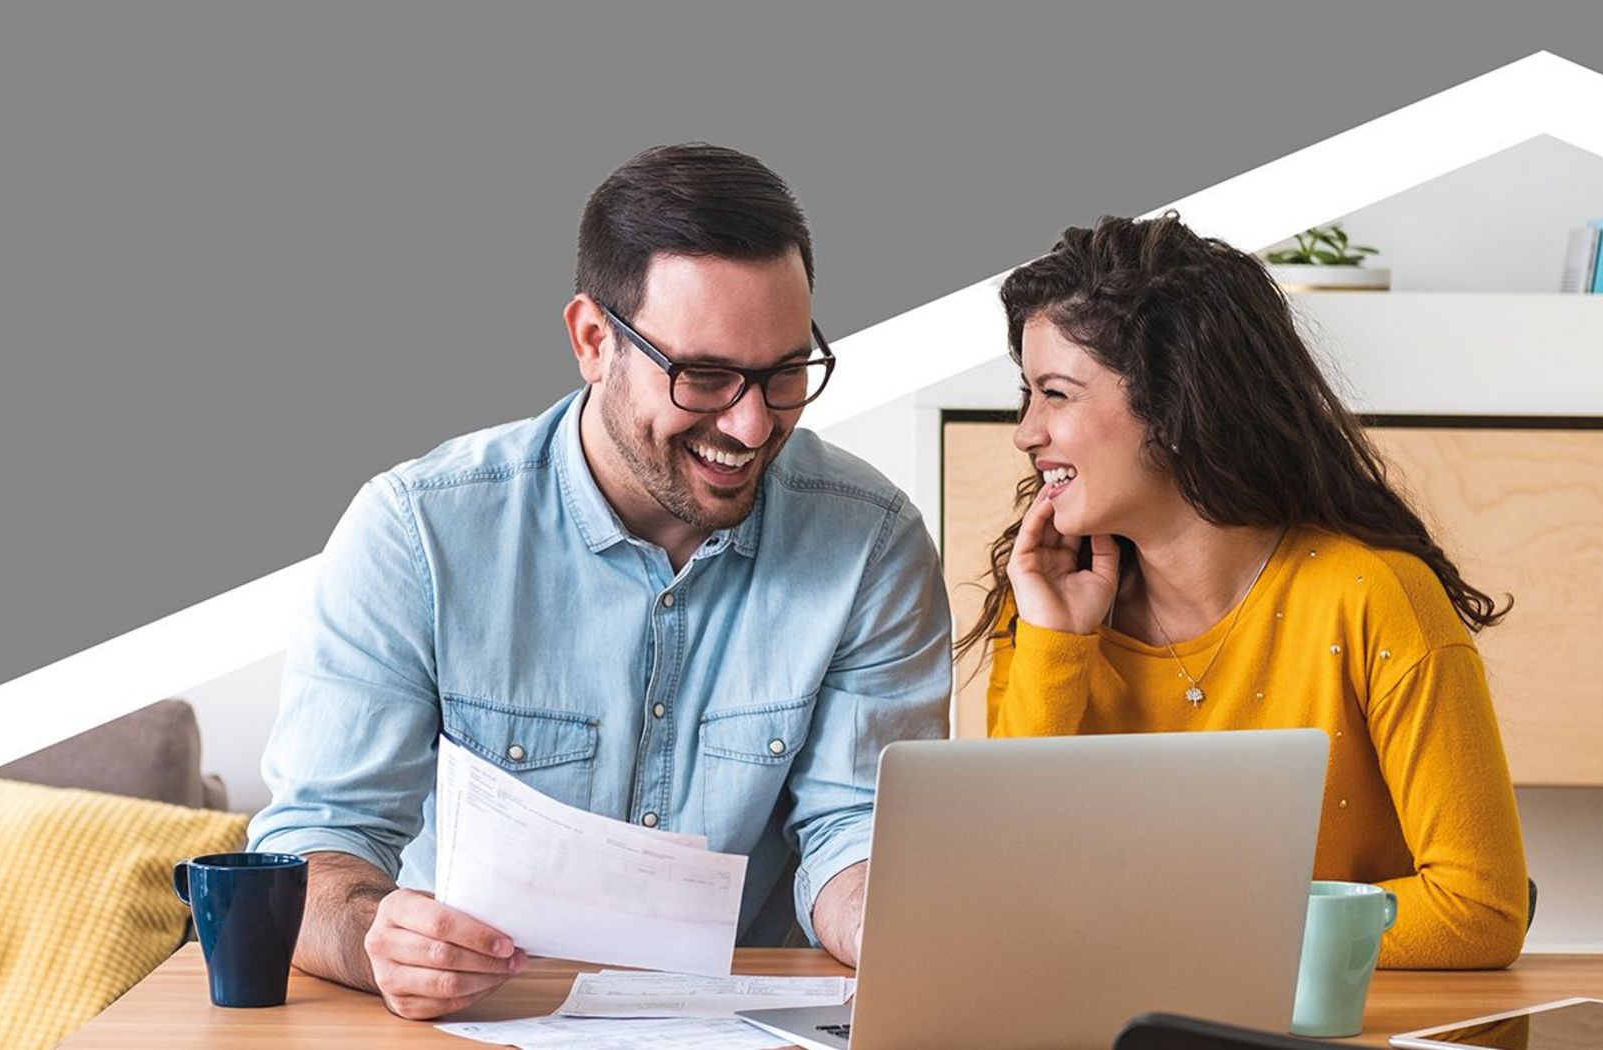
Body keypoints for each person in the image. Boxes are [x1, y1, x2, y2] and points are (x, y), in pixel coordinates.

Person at [248, 143, 951, 1019]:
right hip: (476, 1022)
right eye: (704, 376)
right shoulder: (417, 533)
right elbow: (315, 848)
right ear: (592, 340)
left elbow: (853, 830)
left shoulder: (871, 541)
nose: (751, 424)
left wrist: (896, 924)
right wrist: (378, 939)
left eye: (783, 374)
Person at [960, 213, 1530, 969]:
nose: (1025, 432)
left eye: (1056, 394)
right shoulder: (1042, 607)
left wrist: (1200, 932)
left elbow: (1479, 909)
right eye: (1027, 395)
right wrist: (1056, 647)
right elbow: (1007, 894)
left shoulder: (1373, 596)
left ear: (1173, 404)